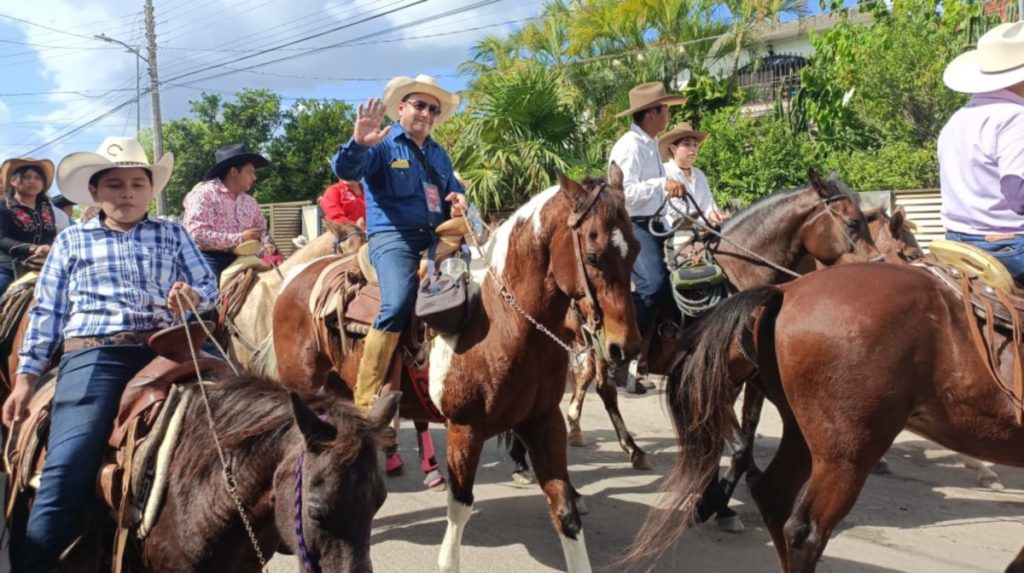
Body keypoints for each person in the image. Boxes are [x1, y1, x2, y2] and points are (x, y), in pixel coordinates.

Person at [1, 136, 218, 572]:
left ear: (150, 190)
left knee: (246, 417)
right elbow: (48, 310)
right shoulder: (72, 241)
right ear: (96, 192)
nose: (127, 193)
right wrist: (26, 378)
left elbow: (209, 286)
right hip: (96, 353)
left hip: (169, 345)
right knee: (67, 466)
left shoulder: (173, 233)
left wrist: (192, 294)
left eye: (138, 183)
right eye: (115, 184)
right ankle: (37, 561)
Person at [332, 74, 466, 413]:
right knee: (397, 302)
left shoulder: (439, 154)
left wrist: (459, 200)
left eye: (434, 109)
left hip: (437, 238)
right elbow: (346, 168)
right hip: (393, 239)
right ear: (401, 108)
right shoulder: (381, 144)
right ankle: (365, 396)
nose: (427, 114)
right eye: (420, 105)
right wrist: (358, 143)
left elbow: (455, 191)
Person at [608, 82, 686, 393]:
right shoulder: (629, 146)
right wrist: (661, 185)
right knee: (652, 286)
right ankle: (621, 351)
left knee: (676, 290)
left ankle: (660, 359)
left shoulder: (650, 144)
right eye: (665, 109)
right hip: (632, 226)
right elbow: (622, 195)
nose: (668, 115)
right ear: (651, 113)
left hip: (654, 224)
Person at [939, 22, 1024, 282]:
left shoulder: (957, 119)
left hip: (957, 244)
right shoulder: (1016, 118)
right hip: (1006, 250)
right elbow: (1018, 195)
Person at [182, 143, 270, 280]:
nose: (254, 177)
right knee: (205, 289)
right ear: (234, 172)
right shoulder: (204, 194)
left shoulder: (250, 202)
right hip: (210, 257)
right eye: (250, 172)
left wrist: (263, 244)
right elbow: (196, 235)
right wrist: (239, 238)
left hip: (246, 257)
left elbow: (261, 228)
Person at [0, 157, 57, 296]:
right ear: (13, 181)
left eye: (38, 178)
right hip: (8, 267)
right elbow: (2, 239)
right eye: (26, 177)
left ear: (43, 184)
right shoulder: (3, 206)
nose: (32, 181)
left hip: (44, 266)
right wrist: (32, 248)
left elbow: (51, 236)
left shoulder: (47, 208)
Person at [659, 122, 723, 228]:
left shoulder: (699, 174)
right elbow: (674, 209)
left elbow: (708, 202)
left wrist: (714, 214)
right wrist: (705, 220)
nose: (693, 149)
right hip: (674, 232)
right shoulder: (664, 172)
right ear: (673, 148)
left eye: (695, 145)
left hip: (703, 228)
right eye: (687, 144)